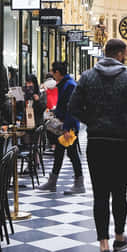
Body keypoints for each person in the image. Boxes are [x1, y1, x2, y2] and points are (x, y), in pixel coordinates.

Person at [69, 39, 127, 252]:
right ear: (120, 54)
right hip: (122, 143)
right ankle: (119, 237)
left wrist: (93, 121)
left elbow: (73, 108)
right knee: (119, 192)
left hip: (97, 142)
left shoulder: (87, 77)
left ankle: (103, 246)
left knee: (99, 194)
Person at [38, 61, 84, 194]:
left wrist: (67, 129)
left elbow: (71, 108)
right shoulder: (65, 84)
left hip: (68, 127)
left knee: (72, 153)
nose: (52, 75)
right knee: (59, 153)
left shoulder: (69, 85)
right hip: (66, 124)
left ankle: (79, 184)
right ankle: (52, 182)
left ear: (58, 73)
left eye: (53, 72)